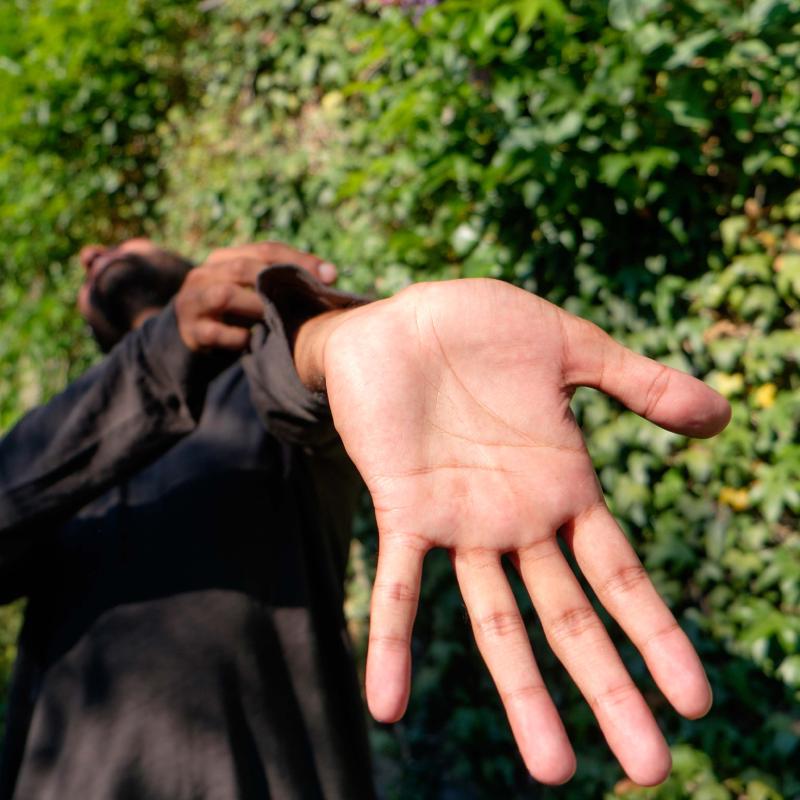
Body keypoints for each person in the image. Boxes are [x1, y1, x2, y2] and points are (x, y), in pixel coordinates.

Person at [0, 238, 731, 797]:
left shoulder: (250, 395)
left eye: (121, 244)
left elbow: (305, 376)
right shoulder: (55, 452)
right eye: (87, 264)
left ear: (201, 270)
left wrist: (334, 339)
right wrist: (160, 351)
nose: (94, 253)